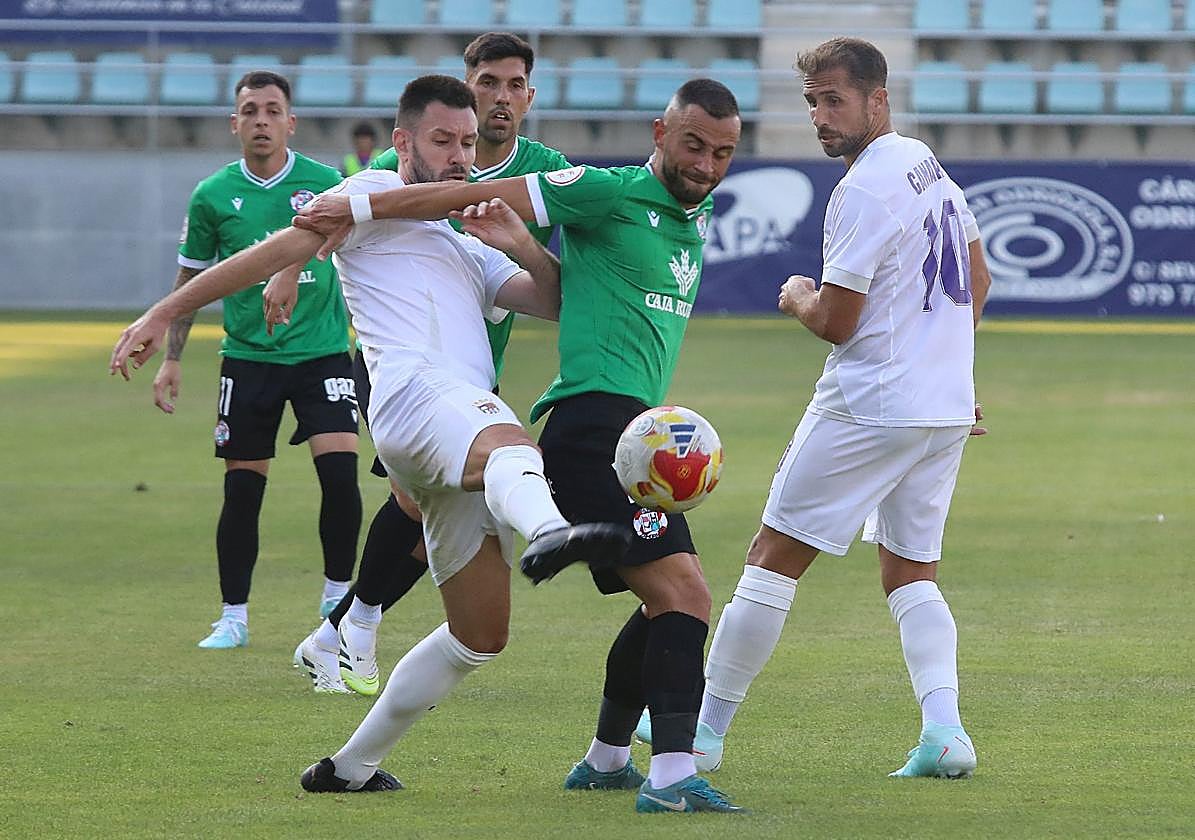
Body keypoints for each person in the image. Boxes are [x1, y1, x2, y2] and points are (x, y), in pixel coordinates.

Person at [110, 74, 628, 795]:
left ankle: (347, 766)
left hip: (446, 434)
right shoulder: (369, 206)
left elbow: (555, 301)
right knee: (515, 445)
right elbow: (266, 254)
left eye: (468, 144)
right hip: (417, 399)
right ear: (401, 143)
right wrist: (164, 312)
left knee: (480, 636)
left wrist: (519, 242)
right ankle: (551, 531)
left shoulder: (468, 243)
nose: (458, 156)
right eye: (442, 140)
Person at [293, 78, 746, 814]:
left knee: (659, 601)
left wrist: (526, 250)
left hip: (629, 429)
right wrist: (358, 202)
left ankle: (603, 759)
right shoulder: (604, 189)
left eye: (722, 152)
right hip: (590, 430)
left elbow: (571, 298)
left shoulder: (687, 220)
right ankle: (668, 776)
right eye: (692, 144)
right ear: (659, 130)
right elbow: (471, 194)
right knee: (683, 596)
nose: (705, 163)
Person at [637, 37, 993, 779]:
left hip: (870, 404)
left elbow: (837, 321)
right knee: (910, 571)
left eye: (834, 100)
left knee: (772, 559)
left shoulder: (861, 189)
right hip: (940, 407)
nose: (821, 116)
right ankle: (944, 733)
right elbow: (977, 273)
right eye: (812, 102)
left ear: (877, 99)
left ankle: (701, 734)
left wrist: (798, 292)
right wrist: (947, 368)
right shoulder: (923, 161)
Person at [284, 32, 573, 696]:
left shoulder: (542, 166)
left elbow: (544, 283)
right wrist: (288, 269)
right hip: (408, 364)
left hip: (474, 350)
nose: (499, 97)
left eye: (512, 85)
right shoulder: (402, 159)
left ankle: (340, 633)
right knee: (416, 501)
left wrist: (522, 248)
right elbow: (336, 215)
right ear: (468, 84)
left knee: (431, 506)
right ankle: (353, 625)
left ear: (528, 96)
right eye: (488, 82)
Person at [154, 70, 361, 649]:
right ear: (235, 123)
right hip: (246, 359)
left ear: (291, 122)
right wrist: (172, 358)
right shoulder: (213, 195)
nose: (262, 120)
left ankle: (335, 600)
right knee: (243, 492)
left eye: (273, 110)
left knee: (340, 477)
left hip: (322, 354)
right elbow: (190, 276)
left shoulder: (326, 183)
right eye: (250, 111)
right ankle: (234, 617)